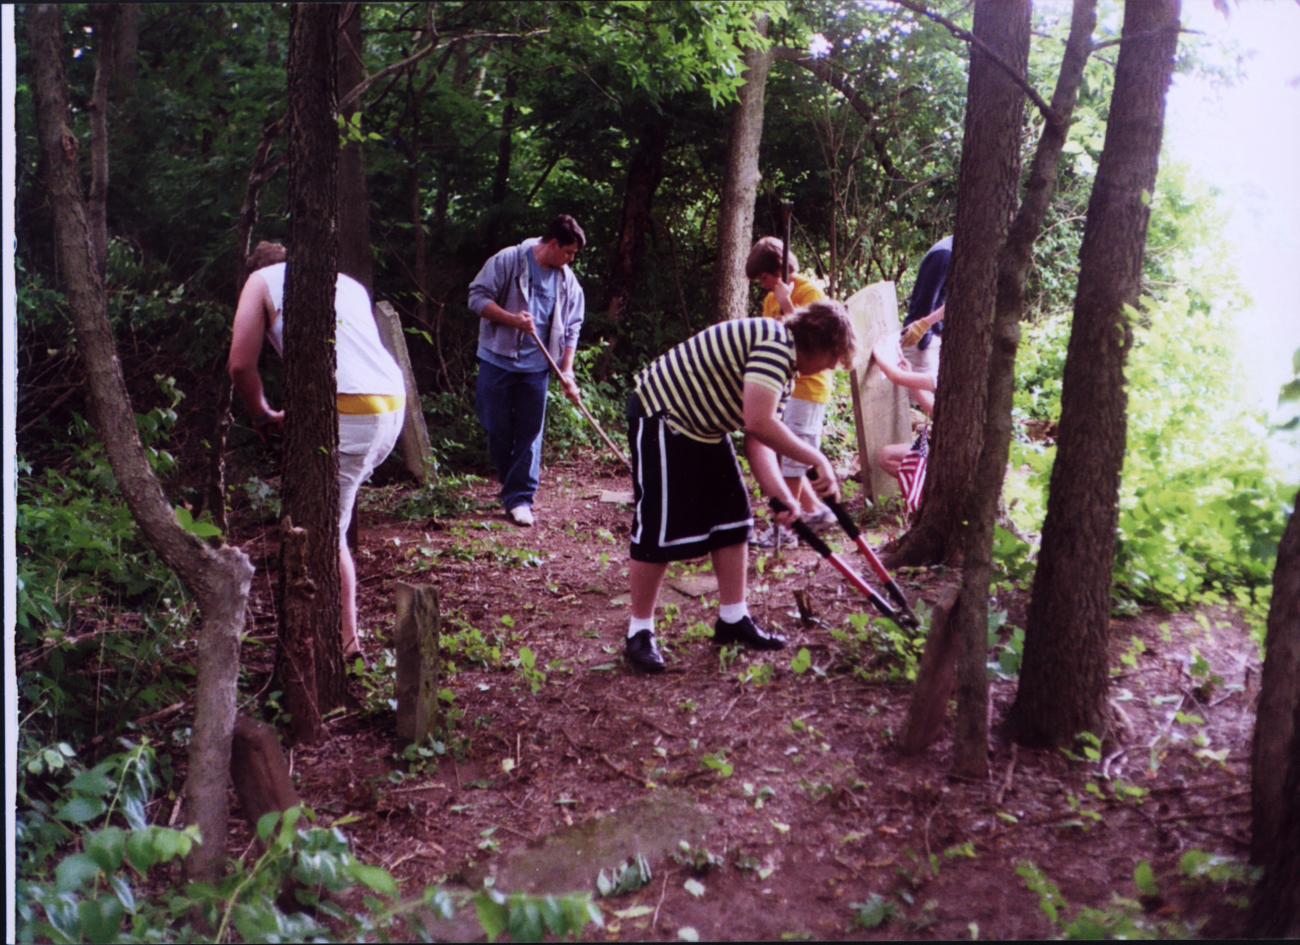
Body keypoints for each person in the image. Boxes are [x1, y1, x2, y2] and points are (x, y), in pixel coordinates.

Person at [623, 301, 857, 674]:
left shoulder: (785, 367)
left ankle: (733, 619)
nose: (830, 369)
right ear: (822, 343)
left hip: (703, 428)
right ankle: (639, 631)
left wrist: (781, 496)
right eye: (833, 359)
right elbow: (759, 422)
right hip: (663, 416)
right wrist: (817, 459)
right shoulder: (776, 345)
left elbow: (757, 439)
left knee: (733, 519)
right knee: (657, 529)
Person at [228, 240, 406, 662]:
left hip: (349, 409)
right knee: (333, 519)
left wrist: (262, 413)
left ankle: (347, 643)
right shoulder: (345, 281)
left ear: (258, 268)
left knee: (326, 533)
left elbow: (239, 364)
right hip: (391, 403)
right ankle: (337, 635)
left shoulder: (259, 281)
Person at [468, 214, 586, 527]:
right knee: (497, 426)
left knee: (530, 431)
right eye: (569, 252)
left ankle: (520, 498)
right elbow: (477, 298)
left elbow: (573, 327)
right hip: (497, 359)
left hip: (537, 367)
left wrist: (567, 372)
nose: (571, 259)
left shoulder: (567, 281)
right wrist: (512, 320)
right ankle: (511, 486)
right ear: (552, 243)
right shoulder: (508, 260)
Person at [744, 237, 838, 547]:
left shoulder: (810, 292)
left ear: (779, 271)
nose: (763, 285)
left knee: (793, 461)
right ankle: (813, 511)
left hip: (809, 386)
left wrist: (788, 304)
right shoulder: (770, 298)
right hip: (785, 385)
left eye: (765, 278)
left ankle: (785, 531)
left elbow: (814, 339)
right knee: (785, 452)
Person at [872, 333, 936, 519]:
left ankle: (920, 497)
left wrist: (878, 354)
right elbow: (933, 408)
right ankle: (923, 494)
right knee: (887, 456)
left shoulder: (945, 378)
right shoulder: (947, 377)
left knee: (888, 457)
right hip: (937, 449)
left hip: (943, 455)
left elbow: (896, 377)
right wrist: (909, 373)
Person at [900, 234, 952, 379]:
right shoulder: (944, 255)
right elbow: (925, 304)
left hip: (935, 340)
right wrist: (923, 341)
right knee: (919, 399)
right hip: (921, 344)